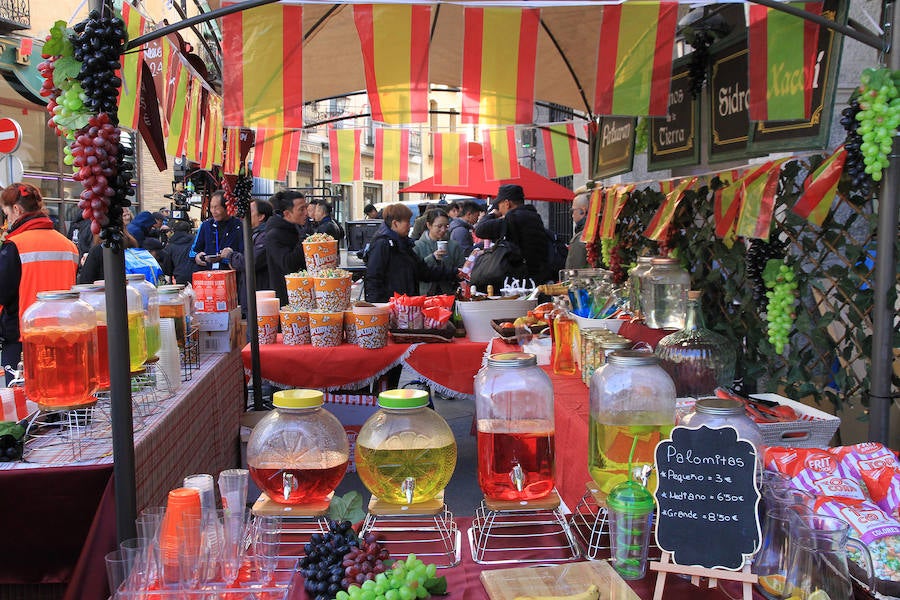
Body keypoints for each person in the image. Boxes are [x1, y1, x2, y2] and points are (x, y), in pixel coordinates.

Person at [0, 183, 79, 384]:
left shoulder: (15, 245)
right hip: (64, 334)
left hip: (23, 339)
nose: (7, 221)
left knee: (23, 398)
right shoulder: (68, 245)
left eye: (6, 214)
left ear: (16, 209)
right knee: (60, 393)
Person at [364, 203, 451, 303]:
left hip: (406, 304)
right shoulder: (382, 244)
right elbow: (373, 278)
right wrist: (378, 306)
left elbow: (422, 271)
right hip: (392, 305)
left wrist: (454, 273)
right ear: (395, 223)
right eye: (407, 222)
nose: (410, 226)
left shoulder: (404, 244)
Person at [474, 184, 551, 285]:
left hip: (520, 280)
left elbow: (480, 230)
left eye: (499, 205)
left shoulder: (513, 219)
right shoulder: (533, 216)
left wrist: (492, 214)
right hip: (538, 276)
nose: (499, 209)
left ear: (507, 203)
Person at [264, 191, 308, 306]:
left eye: (306, 208)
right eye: (301, 209)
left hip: (305, 293)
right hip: (286, 299)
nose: (306, 213)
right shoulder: (274, 235)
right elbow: (288, 264)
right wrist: (304, 241)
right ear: (287, 213)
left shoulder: (298, 229)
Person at [413, 208, 464, 295]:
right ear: (429, 225)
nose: (443, 230)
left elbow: (461, 269)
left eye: (446, 226)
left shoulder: (454, 246)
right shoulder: (417, 246)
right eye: (439, 226)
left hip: (449, 293)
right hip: (425, 294)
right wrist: (432, 258)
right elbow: (415, 271)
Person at [191, 190, 243, 270]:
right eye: (211, 207)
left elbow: (245, 255)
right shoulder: (205, 225)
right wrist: (196, 256)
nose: (213, 211)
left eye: (216, 207)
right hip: (209, 273)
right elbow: (193, 252)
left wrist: (229, 256)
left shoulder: (239, 226)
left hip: (232, 274)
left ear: (227, 207)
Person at [233, 198, 272, 292]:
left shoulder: (265, 236)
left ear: (261, 216)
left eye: (250, 212)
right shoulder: (253, 233)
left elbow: (250, 262)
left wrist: (231, 256)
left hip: (260, 291)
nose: (245, 215)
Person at [166, 219, 196, 285]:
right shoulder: (196, 242)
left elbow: (168, 267)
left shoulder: (170, 245)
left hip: (180, 277)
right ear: (189, 231)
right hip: (197, 275)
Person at [565, 193, 590, 269]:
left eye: (572, 210)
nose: (572, 215)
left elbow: (573, 270)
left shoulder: (580, 238)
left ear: (583, 211)